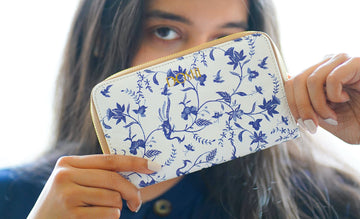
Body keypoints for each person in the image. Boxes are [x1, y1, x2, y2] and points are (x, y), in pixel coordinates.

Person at [1, 0, 360, 218]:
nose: (197, 64)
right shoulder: (14, 198)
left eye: (224, 40)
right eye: (166, 32)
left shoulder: (323, 202)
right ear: (102, 42)